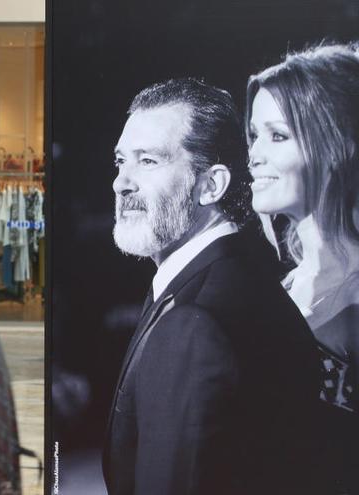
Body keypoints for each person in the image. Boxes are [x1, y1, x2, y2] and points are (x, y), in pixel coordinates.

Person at [103, 78, 320, 495]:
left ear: (211, 185)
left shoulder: (196, 320)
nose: (121, 183)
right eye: (120, 161)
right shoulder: (228, 281)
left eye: (147, 161)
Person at [247, 43, 359, 492]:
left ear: (340, 143)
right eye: (254, 135)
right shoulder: (290, 279)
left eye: (278, 136)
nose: (253, 154)